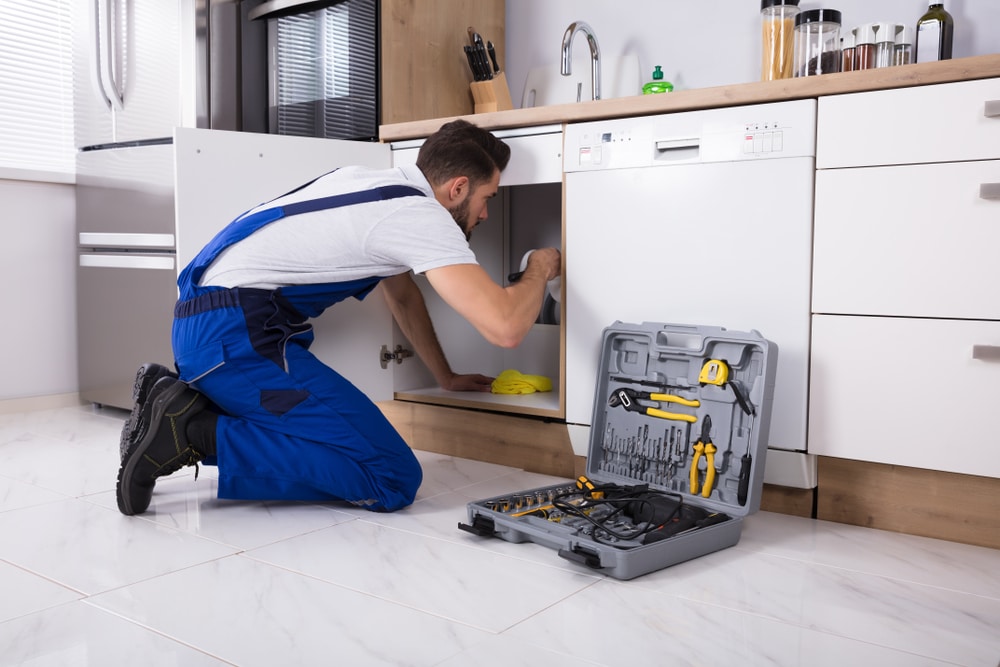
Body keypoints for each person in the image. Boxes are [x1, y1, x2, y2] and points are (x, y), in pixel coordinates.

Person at [116, 119, 561, 516]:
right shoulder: (419, 214)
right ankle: (189, 432)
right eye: (487, 198)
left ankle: (174, 402)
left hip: (211, 327)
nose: (485, 213)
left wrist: (443, 375)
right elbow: (505, 327)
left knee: (344, 445)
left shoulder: (369, 186)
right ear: (458, 188)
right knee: (391, 477)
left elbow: (403, 296)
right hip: (236, 337)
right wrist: (540, 265)